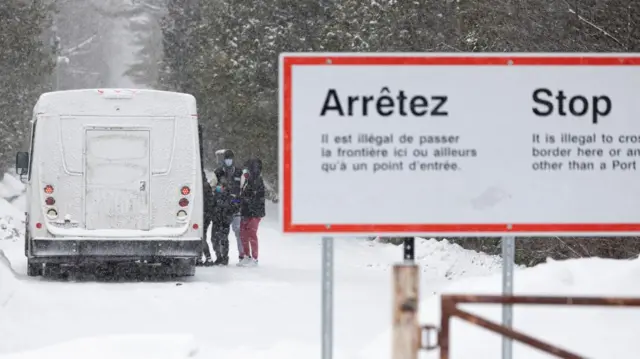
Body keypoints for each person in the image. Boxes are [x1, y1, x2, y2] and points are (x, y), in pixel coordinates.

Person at [210, 149, 243, 265]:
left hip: (230, 209)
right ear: (223, 160)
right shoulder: (218, 172)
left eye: (230, 159)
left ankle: (225, 258)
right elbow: (212, 188)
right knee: (214, 236)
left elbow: (241, 191)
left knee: (225, 235)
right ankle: (218, 256)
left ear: (233, 160)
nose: (228, 161)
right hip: (218, 208)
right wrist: (219, 190)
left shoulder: (239, 172)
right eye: (227, 158)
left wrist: (235, 202)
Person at [237, 158, 266, 267]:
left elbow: (257, 197)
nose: (246, 171)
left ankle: (255, 258)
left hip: (255, 213)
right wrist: (238, 200)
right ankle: (246, 256)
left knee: (251, 234)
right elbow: (243, 195)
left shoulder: (258, 180)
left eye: (247, 168)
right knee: (243, 233)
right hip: (246, 211)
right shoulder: (247, 180)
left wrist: (247, 200)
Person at [198, 170, 215, 266]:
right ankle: (204, 257)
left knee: (201, 236)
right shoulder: (206, 185)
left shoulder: (202, 186)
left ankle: (206, 257)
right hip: (206, 215)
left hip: (203, 215)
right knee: (202, 236)